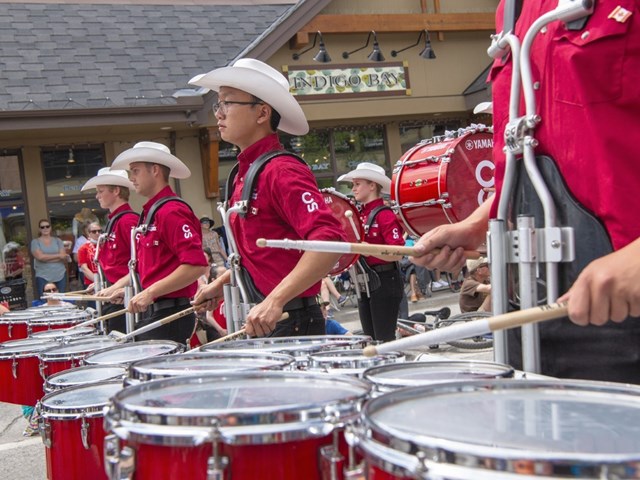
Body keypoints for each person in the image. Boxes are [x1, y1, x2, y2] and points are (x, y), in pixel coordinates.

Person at [412, 0, 640, 383]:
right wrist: (478, 224)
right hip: (528, 316)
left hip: (625, 309)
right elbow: (536, 151)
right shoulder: (512, 9)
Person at [190, 58, 346, 337]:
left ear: (262, 113)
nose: (218, 114)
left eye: (227, 103)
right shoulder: (245, 172)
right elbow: (262, 256)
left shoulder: (281, 170)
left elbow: (329, 242)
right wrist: (222, 283)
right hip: (270, 317)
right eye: (218, 104)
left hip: (290, 319)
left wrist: (275, 299)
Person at [106, 141, 208, 343]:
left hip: (170, 313)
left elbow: (196, 266)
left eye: (135, 171)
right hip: (156, 310)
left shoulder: (171, 211)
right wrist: (135, 291)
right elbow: (158, 267)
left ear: (155, 170)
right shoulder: (152, 212)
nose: (131, 178)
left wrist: (150, 293)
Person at [338, 162, 405, 342]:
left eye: (357, 184)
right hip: (363, 283)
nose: (353, 189)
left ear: (372, 185)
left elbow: (399, 252)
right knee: (369, 339)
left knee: (383, 340)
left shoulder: (385, 215)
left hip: (384, 281)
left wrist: (368, 250)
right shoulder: (358, 215)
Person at [81, 167, 139, 333]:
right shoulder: (114, 221)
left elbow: (140, 264)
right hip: (114, 296)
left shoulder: (128, 221)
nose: (97, 195)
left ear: (116, 191)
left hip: (125, 298)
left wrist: (115, 288)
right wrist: (101, 284)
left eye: (101, 191)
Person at [30, 218, 68, 296]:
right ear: (39, 229)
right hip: (43, 276)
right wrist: (58, 256)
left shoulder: (58, 240)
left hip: (60, 274)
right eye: (42, 227)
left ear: (50, 228)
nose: (45, 228)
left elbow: (63, 256)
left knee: (61, 300)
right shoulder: (35, 242)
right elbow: (40, 257)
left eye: (47, 226)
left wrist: (46, 258)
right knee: (45, 300)